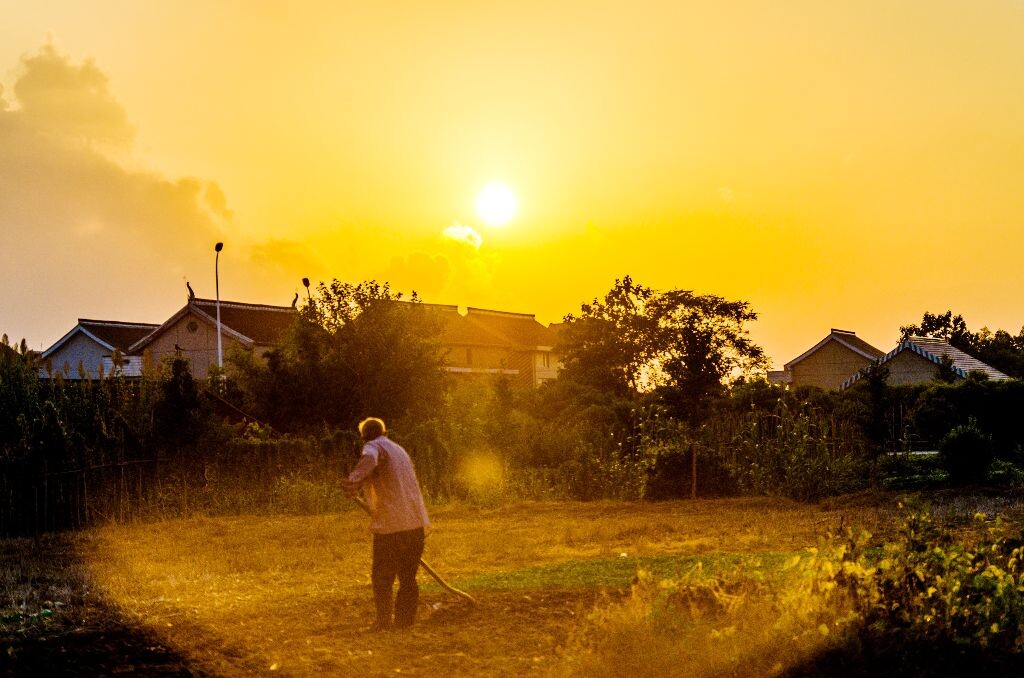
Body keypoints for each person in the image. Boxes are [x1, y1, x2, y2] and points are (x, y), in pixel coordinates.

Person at [343, 417, 431, 631]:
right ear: (386, 432)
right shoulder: (399, 450)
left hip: (391, 526)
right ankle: (404, 623)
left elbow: (370, 460)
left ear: (364, 437)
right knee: (408, 578)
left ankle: (383, 623)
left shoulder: (372, 447)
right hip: (415, 523)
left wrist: (352, 481)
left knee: (382, 578)